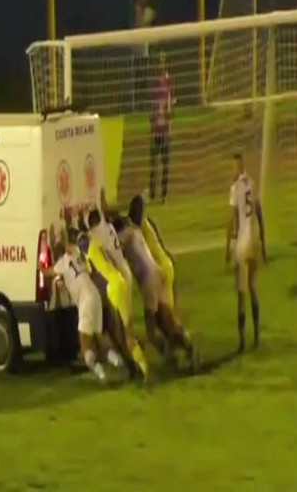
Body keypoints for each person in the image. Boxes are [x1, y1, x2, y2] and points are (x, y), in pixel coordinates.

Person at [119, 195, 199, 372]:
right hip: (161, 268)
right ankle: (179, 351)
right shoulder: (142, 227)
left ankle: (170, 357)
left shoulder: (129, 233)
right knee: (165, 320)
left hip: (154, 274)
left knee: (158, 324)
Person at [42, 224, 125, 385]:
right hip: (95, 296)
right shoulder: (81, 256)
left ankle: (102, 378)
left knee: (85, 348)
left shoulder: (63, 262)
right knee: (101, 337)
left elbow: (48, 272)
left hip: (85, 302)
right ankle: (120, 363)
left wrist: (37, 267)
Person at [78, 207, 150, 384]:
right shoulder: (108, 226)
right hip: (125, 275)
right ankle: (137, 362)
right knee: (126, 327)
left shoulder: (93, 239)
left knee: (121, 332)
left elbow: (84, 243)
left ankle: (139, 367)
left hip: (115, 283)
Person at [225, 153, 266, 352]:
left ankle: (242, 341)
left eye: (232, 167)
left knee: (241, 294)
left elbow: (232, 221)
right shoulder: (253, 183)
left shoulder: (235, 189)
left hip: (242, 244)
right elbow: (259, 212)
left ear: (238, 167)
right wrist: (264, 245)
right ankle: (257, 335)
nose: (231, 171)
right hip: (255, 242)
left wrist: (227, 248)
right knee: (254, 289)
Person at [149, 53, 175, 203]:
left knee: (164, 164)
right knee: (154, 164)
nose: (160, 65)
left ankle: (163, 195)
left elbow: (171, 106)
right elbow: (152, 106)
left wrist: (169, 124)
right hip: (156, 131)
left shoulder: (168, 81)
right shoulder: (155, 83)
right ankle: (153, 194)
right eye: (159, 62)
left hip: (164, 130)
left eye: (162, 62)